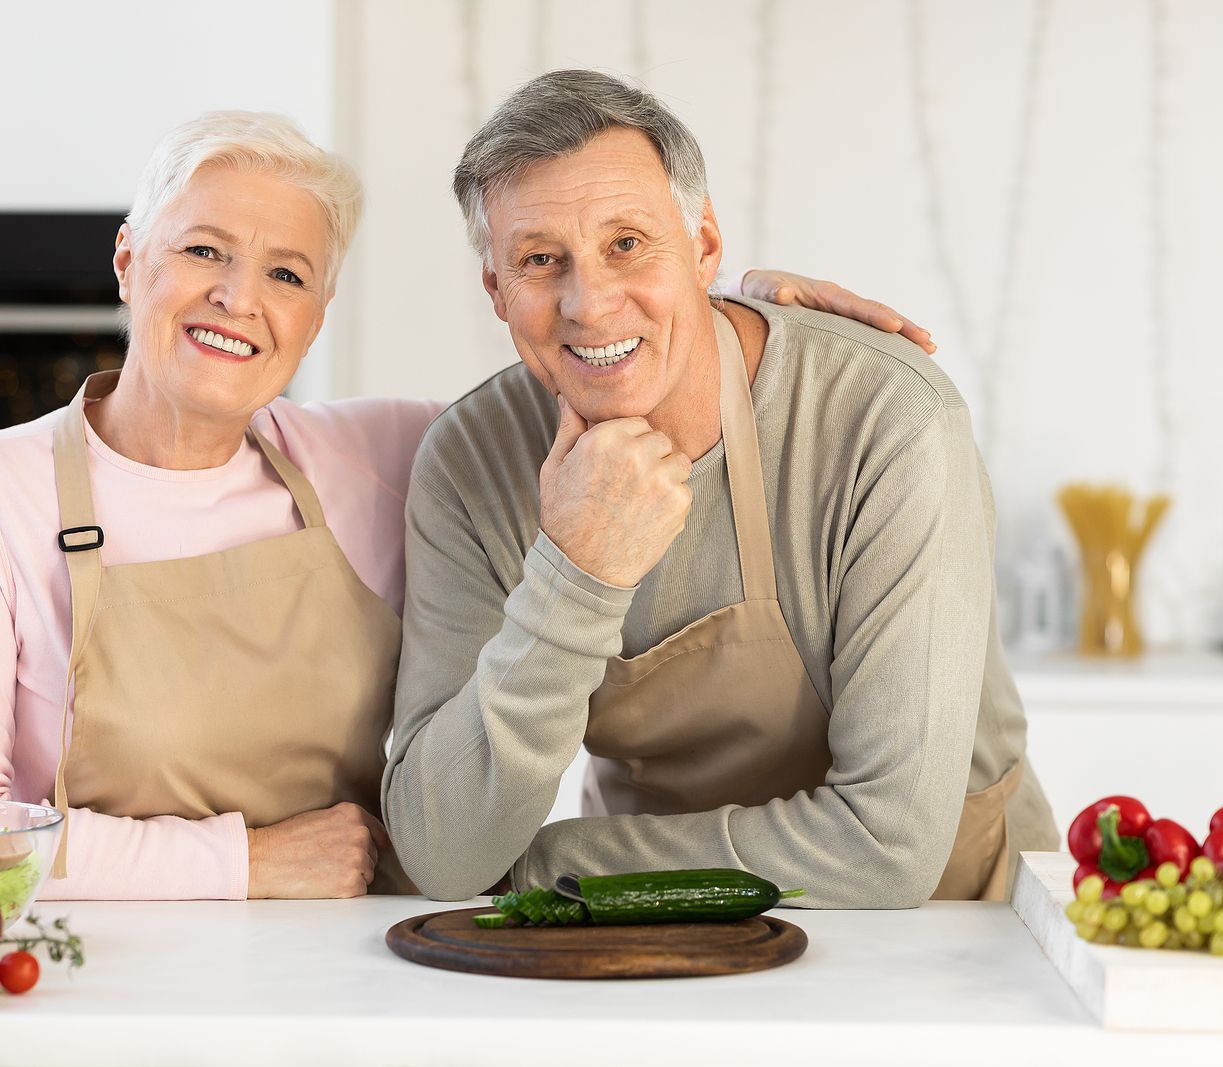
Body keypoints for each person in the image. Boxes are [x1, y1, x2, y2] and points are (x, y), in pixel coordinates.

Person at [0, 109, 934, 900]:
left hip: (356, 968)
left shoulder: (381, 456)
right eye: (203, 250)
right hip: (80, 977)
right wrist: (243, 862)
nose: (238, 297)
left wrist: (736, 316)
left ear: (317, 313)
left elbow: (597, 354)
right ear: (127, 260)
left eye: (287, 273)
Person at [382, 70, 1058, 907]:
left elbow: (888, 848)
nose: (590, 304)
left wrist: (554, 867)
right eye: (540, 260)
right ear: (497, 290)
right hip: (648, 936)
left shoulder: (887, 420)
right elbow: (440, 853)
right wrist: (573, 576)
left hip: (948, 928)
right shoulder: (469, 464)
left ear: (704, 247)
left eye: (628, 244)